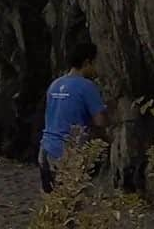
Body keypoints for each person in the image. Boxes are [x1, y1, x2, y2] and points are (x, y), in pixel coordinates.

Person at [38, 41, 108, 193]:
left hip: (46, 149)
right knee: (73, 203)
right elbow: (100, 121)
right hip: (67, 153)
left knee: (54, 202)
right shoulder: (87, 86)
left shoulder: (55, 84)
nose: (98, 68)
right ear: (87, 62)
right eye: (96, 63)